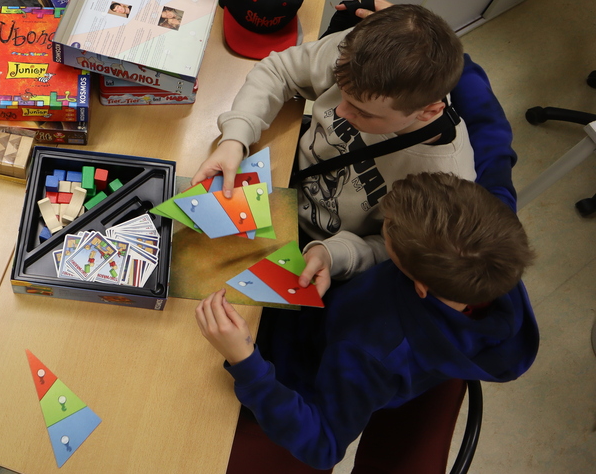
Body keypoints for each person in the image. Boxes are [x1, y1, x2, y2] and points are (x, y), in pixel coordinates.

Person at [195, 172, 539, 470]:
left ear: (418, 285)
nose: (381, 222)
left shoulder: (372, 349)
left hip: (285, 374)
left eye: (386, 231)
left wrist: (246, 363)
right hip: (316, 311)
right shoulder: (494, 254)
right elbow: (491, 140)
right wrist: (331, 254)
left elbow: (324, 445)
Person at [193, 0, 474, 296]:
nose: (338, 111)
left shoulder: (446, 182)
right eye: (341, 92)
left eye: (363, 112)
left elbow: (391, 248)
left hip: (317, 243)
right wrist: (235, 137)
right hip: (279, 172)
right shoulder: (360, 51)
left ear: (428, 112)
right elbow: (279, 70)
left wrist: (333, 254)